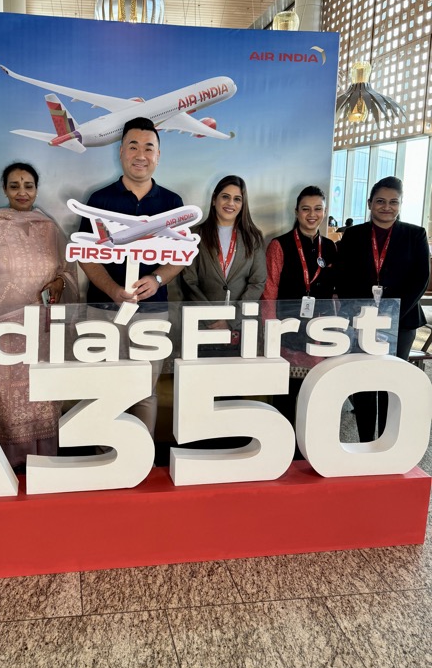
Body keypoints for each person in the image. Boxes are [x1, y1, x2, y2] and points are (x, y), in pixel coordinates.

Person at [0, 162, 78, 468]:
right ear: (4, 189)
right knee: (2, 400)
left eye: (28, 186)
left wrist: (59, 282)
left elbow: (67, 271)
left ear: (37, 189)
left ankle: (41, 462)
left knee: (39, 396)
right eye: (14, 186)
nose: (22, 192)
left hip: (39, 331)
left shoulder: (48, 227)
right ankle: (1, 464)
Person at [79, 117, 184, 437]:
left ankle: (141, 459)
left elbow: (179, 257)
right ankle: (101, 454)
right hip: (103, 309)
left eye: (149, 147)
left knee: (144, 388)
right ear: (121, 152)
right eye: (134, 146)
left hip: (151, 311)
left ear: (158, 155)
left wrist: (157, 280)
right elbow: (87, 257)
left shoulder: (172, 204)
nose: (141, 154)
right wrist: (111, 289)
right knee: (100, 387)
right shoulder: (99, 201)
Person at [335, 176, 430, 441]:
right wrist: (366, 314)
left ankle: (388, 442)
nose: (386, 207)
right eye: (380, 201)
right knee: (365, 381)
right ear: (370, 203)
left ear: (399, 205)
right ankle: (366, 440)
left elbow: (420, 278)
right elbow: (343, 277)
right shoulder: (354, 235)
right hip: (361, 319)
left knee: (392, 383)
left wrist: (391, 312)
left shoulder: (415, 234)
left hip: (402, 321)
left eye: (393, 202)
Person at [263, 186, 337, 438]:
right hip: (287, 332)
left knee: (315, 394)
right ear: (296, 212)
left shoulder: (331, 248)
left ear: (325, 212)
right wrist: (270, 330)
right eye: (306, 209)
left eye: (318, 209)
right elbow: (270, 289)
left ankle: (309, 446)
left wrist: (336, 328)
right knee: (286, 395)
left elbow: (335, 293)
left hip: (321, 334)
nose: (312, 214)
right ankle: (282, 444)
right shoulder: (279, 245)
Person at [181, 174, 266, 343]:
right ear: (214, 200)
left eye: (237, 199)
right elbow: (188, 281)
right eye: (225, 197)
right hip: (201, 325)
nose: (230, 203)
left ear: (243, 205)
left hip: (240, 327)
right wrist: (211, 318)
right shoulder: (194, 235)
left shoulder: (254, 238)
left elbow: (257, 281)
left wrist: (232, 319)